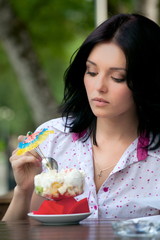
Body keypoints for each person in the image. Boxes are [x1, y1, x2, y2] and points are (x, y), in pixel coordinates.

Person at [2, 13, 160, 221]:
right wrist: (24, 189)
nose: (99, 87)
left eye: (117, 78)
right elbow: (17, 232)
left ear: (147, 81)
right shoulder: (51, 139)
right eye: (91, 72)